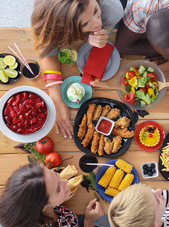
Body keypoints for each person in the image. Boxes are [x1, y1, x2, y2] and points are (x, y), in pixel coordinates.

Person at [31, 0, 124, 139]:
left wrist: (99, 34)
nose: (96, 23)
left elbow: (103, 26)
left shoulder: (112, 10)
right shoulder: (47, 17)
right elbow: (47, 51)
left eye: (95, 10)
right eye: (85, 23)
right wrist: (55, 97)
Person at [0, 163, 115, 227]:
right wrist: (89, 222)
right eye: (58, 189)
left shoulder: (22, 201)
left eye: (56, 175)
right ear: (42, 206)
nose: (66, 182)